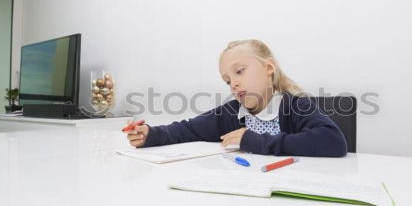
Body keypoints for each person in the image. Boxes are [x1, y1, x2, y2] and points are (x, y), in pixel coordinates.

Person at [124, 39, 347, 157]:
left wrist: (254, 140)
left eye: (239, 71)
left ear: (269, 68)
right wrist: (150, 135)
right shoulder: (230, 113)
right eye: (227, 80)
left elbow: (333, 141)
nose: (234, 84)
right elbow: (187, 129)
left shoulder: (296, 105)